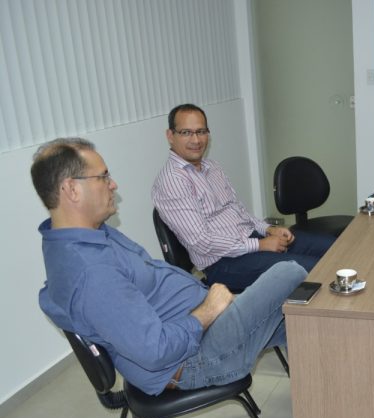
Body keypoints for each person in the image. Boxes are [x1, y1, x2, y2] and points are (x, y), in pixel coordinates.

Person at [32, 138, 307, 396]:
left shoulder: (84, 236)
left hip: (202, 326)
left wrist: (214, 305)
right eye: (103, 177)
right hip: (192, 361)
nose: (113, 184)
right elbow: (156, 352)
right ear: (71, 189)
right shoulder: (92, 272)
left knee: (304, 322)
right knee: (289, 272)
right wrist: (209, 309)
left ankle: (319, 406)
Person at [152, 103, 335, 292]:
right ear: (170, 136)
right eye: (186, 132)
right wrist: (260, 245)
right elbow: (202, 242)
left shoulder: (212, 167)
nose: (196, 140)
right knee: (316, 270)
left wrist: (268, 229)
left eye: (201, 131)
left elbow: (238, 210)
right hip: (223, 264)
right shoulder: (172, 181)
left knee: (334, 249)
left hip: (250, 240)